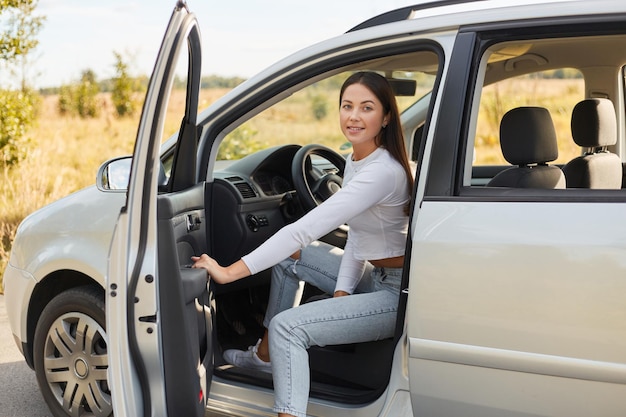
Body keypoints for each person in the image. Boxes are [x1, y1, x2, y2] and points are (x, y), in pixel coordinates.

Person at [192, 71, 414, 417]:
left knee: (288, 327)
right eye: (347, 106)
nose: (354, 116)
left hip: (396, 296)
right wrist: (343, 290)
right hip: (376, 277)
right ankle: (265, 357)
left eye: (367, 108)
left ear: (386, 117)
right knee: (289, 259)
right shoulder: (358, 159)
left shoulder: (382, 172)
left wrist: (227, 272)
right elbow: (357, 233)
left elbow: (302, 230)